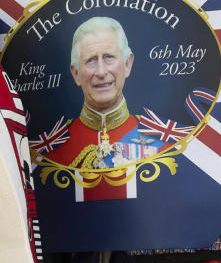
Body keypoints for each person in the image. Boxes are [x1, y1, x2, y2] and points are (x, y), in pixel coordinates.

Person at [47, 17, 165, 170]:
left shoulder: (163, 142)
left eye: (109, 57)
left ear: (127, 64)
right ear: (76, 73)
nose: (101, 72)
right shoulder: (50, 152)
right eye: (91, 60)